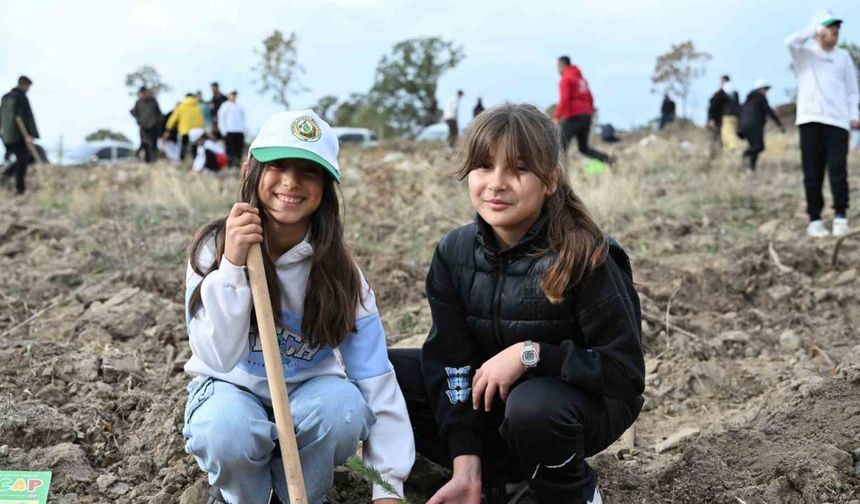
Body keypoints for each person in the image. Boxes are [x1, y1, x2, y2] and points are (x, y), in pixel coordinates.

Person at [390, 104, 644, 504]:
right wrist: (464, 463)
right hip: (494, 399)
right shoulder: (455, 252)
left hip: (575, 404)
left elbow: (624, 373)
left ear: (550, 180)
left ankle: (573, 491)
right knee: (387, 373)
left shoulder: (586, 255)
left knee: (532, 407)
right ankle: (490, 481)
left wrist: (532, 355)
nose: (496, 183)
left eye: (519, 169)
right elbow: (451, 363)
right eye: (484, 166)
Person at [182, 110, 414, 504]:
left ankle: (303, 494)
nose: (290, 181)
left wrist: (387, 487)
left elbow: (376, 379)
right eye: (279, 166)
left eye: (308, 171)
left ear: (326, 186)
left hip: (308, 401)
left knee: (342, 409)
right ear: (249, 172)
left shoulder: (342, 274)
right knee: (227, 430)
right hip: (229, 391)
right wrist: (234, 267)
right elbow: (218, 357)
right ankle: (242, 496)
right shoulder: (213, 250)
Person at [787, 10, 860, 238]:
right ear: (819, 30)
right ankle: (815, 219)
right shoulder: (805, 56)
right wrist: (814, 29)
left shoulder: (844, 57)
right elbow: (790, 41)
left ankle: (840, 216)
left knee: (838, 170)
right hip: (810, 120)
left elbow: (851, 90)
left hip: (838, 122)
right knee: (813, 171)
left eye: (837, 30)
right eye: (830, 29)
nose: (834, 34)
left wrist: (853, 114)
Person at [553, 56, 610, 163]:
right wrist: (590, 113)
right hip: (587, 116)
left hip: (574, 116)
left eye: (558, 67)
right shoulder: (581, 80)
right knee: (583, 148)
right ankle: (607, 159)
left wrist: (557, 116)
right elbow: (590, 98)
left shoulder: (566, 79)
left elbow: (564, 100)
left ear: (562, 65)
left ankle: (560, 175)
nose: (557, 70)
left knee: (560, 147)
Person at [0, 76, 39, 195]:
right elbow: (23, 117)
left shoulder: (5, 98)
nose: (28, 89)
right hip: (19, 135)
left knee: (15, 159)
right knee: (23, 160)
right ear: (24, 85)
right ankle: (19, 189)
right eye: (28, 87)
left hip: (6, 135)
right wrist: (29, 134)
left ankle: (5, 177)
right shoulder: (21, 98)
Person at [738, 78, 785, 171]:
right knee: (759, 147)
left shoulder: (748, 99)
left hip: (744, 126)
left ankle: (751, 168)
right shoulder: (760, 98)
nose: (766, 92)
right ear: (760, 89)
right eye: (765, 89)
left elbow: (740, 111)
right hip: (754, 126)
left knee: (754, 146)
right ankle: (745, 154)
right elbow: (769, 111)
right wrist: (779, 124)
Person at [164, 93, 205, 161]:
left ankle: (182, 160)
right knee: (194, 147)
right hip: (196, 132)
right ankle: (194, 160)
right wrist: (201, 130)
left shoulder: (182, 106)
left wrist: (168, 127)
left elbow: (174, 118)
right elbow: (201, 119)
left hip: (185, 130)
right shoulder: (197, 107)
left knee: (183, 147)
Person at [130, 86, 163, 163]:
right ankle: (147, 161)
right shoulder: (138, 103)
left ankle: (153, 160)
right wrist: (138, 121)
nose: (144, 95)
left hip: (153, 127)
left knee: (153, 144)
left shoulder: (153, 102)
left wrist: (157, 123)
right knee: (145, 144)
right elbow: (133, 112)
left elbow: (159, 114)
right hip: (143, 127)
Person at [217, 91, 246, 168]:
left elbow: (243, 118)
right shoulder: (225, 106)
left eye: (235, 95)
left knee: (239, 150)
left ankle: (237, 165)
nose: (233, 97)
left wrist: (243, 129)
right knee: (230, 150)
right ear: (229, 96)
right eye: (232, 95)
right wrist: (223, 131)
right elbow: (221, 119)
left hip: (239, 131)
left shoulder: (240, 106)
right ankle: (230, 165)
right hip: (229, 131)